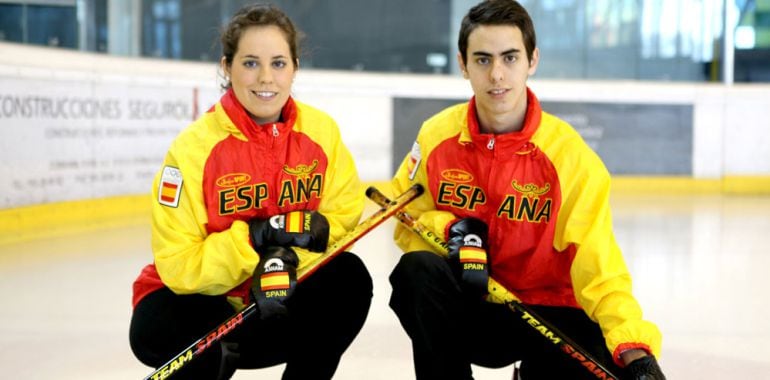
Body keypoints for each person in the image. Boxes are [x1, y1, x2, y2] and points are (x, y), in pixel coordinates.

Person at [388, 1, 666, 379]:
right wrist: (448, 230)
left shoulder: (569, 156)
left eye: (510, 58)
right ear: (463, 64)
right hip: (475, 309)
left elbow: (599, 266)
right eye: (483, 60)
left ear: (532, 60)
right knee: (416, 272)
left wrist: (634, 349)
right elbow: (405, 218)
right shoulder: (436, 136)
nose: (497, 75)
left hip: (550, 316)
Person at [129, 4, 372, 379]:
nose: (265, 78)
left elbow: (340, 220)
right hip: (208, 310)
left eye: (278, 63)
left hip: (279, 301)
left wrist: (283, 260)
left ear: (294, 68)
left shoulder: (321, 133)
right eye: (249, 63)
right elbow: (177, 264)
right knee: (156, 327)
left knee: (349, 278)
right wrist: (254, 239)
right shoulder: (193, 149)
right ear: (227, 68)